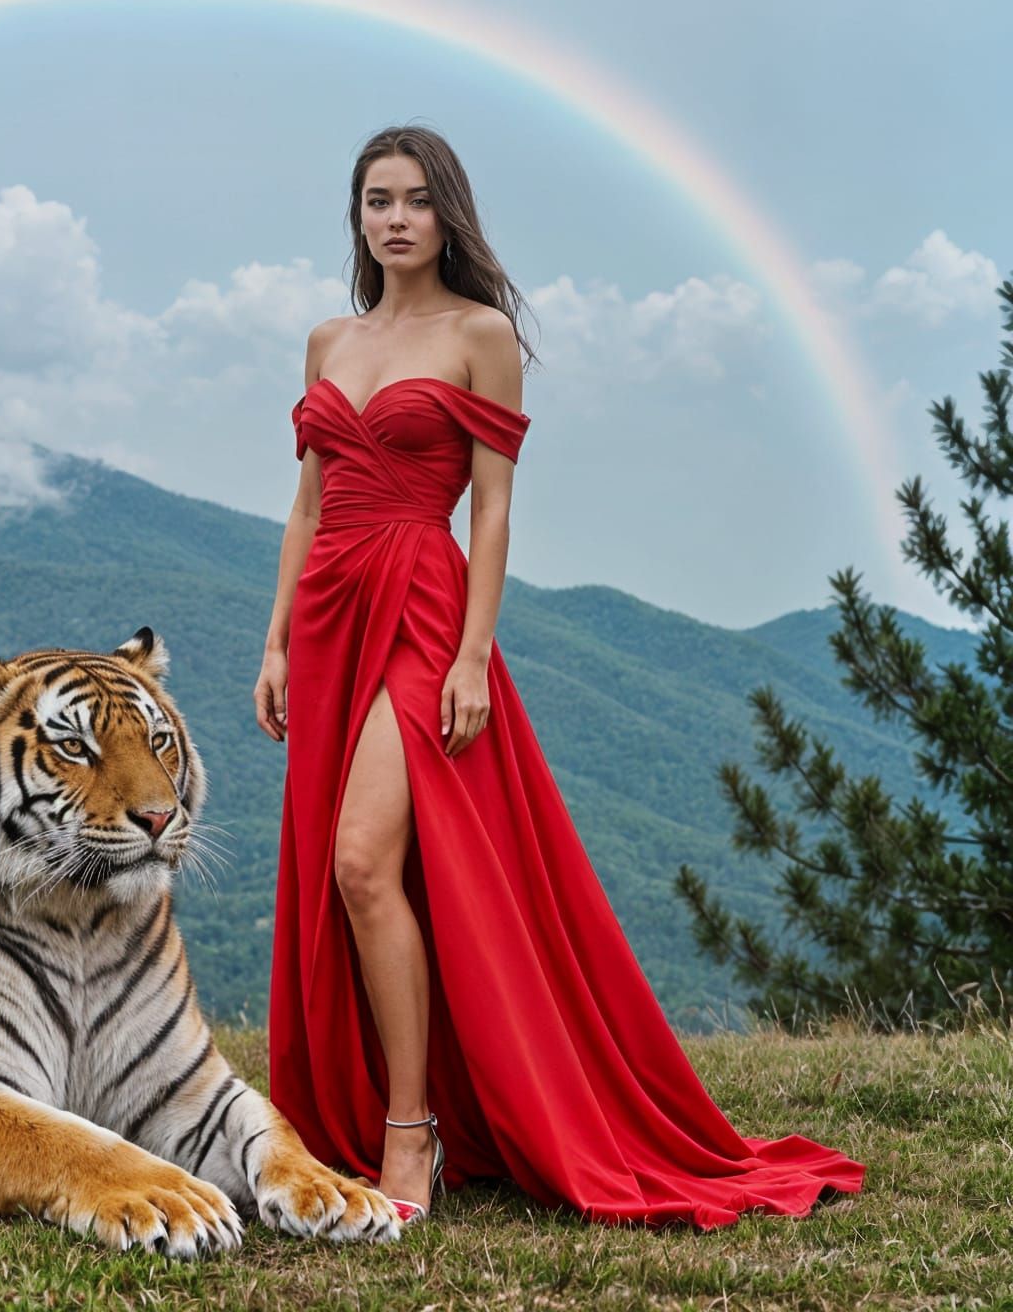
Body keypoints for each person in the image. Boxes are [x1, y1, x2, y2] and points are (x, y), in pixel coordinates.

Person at [254, 124, 865, 1229]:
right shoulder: (326, 340)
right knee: (348, 873)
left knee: (359, 862)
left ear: (450, 215)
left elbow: (490, 507)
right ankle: (383, 1113)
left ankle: (411, 1133)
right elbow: (306, 498)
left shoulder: (482, 334)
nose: (395, 219)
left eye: (416, 200)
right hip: (329, 613)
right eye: (376, 200)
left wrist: (474, 652)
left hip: (422, 608)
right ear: (356, 216)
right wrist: (274, 640)